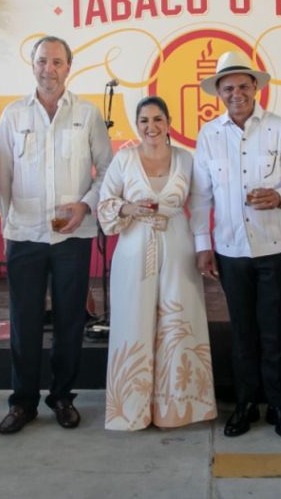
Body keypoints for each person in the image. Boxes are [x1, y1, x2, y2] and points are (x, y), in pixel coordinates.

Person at [189, 51, 281, 441]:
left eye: (244, 86)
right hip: (230, 250)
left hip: (275, 248)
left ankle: (280, 406)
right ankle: (245, 404)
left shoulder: (280, 129)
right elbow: (200, 197)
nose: (237, 93)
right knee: (242, 332)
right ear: (219, 93)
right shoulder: (209, 135)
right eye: (229, 88)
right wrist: (202, 245)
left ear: (256, 88)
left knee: (275, 331)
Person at [0, 35, 113, 433]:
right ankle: (23, 402)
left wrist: (85, 205)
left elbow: (108, 171)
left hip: (73, 236)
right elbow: (2, 178)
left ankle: (62, 397)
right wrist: (9, 225)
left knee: (69, 322)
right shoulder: (12, 115)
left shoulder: (88, 114)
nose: (49, 69)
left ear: (69, 67)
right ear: (32, 65)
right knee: (24, 323)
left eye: (57, 62)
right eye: (42, 61)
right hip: (24, 234)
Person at [98, 96, 216, 430]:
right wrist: (127, 209)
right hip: (134, 248)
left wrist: (203, 245)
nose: (151, 127)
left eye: (158, 119)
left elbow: (200, 205)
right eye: (144, 121)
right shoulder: (123, 159)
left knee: (179, 321)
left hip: (178, 245)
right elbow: (106, 203)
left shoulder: (186, 159)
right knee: (133, 321)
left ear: (169, 122)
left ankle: (178, 408)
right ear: (137, 125)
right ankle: (131, 410)